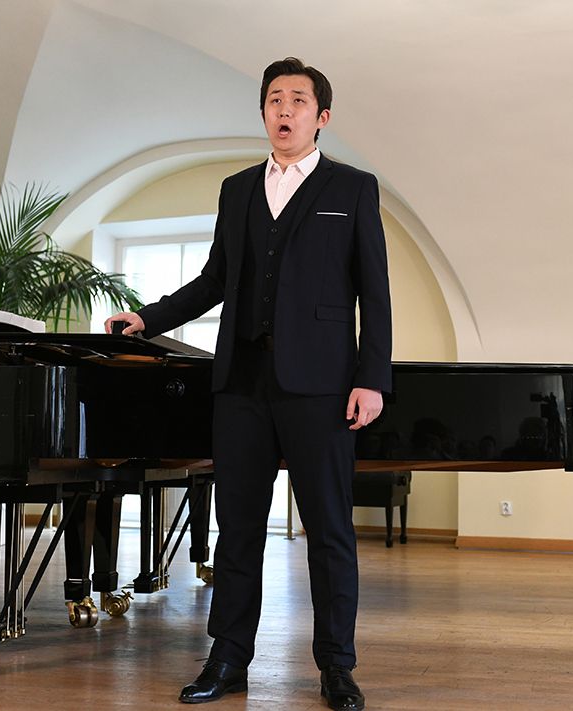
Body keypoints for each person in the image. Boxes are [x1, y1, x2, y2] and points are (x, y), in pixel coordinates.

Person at [106, 58, 392, 711]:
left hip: (322, 385)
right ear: (264, 113)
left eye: (297, 100)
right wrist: (148, 317)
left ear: (321, 116)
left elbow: (374, 291)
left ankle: (337, 666)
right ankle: (229, 656)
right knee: (237, 528)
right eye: (274, 100)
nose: (284, 110)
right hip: (240, 381)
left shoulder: (354, 188)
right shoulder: (236, 190)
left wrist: (372, 378)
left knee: (329, 530)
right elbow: (215, 278)